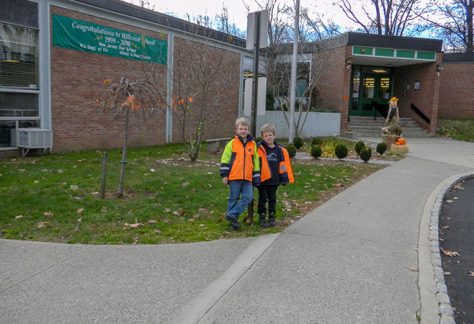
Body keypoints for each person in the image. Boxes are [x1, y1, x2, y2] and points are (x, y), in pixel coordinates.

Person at [220, 117, 260, 230]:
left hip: (248, 178)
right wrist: (224, 175)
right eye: (241, 129)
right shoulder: (232, 144)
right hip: (234, 177)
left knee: (248, 197)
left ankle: (232, 214)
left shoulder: (253, 144)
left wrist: (256, 176)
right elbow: (225, 159)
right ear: (236, 130)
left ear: (248, 130)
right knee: (233, 198)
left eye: (245, 129)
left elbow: (255, 161)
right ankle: (233, 223)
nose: (243, 131)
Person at [257, 123, 294, 228]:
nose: (268, 137)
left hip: (274, 180)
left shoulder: (279, 150)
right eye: (266, 136)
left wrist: (284, 178)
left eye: (270, 135)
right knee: (262, 198)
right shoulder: (259, 149)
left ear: (274, 136)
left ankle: (272, 216)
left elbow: (282, 166)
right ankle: (262, 216)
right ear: (262, 137)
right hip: (263, 180)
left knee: (272, 198)